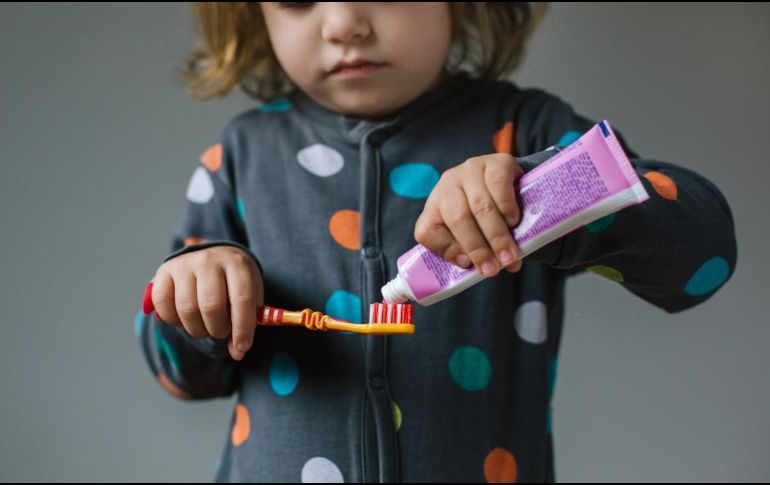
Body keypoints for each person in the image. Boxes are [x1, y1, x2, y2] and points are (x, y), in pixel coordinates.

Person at [134, 3, 737, 482]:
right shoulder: (238, 159)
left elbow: (703, 261)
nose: (345, 24)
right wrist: (193, 295)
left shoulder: (521, 130)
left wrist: (542, 193)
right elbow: (178, 375)